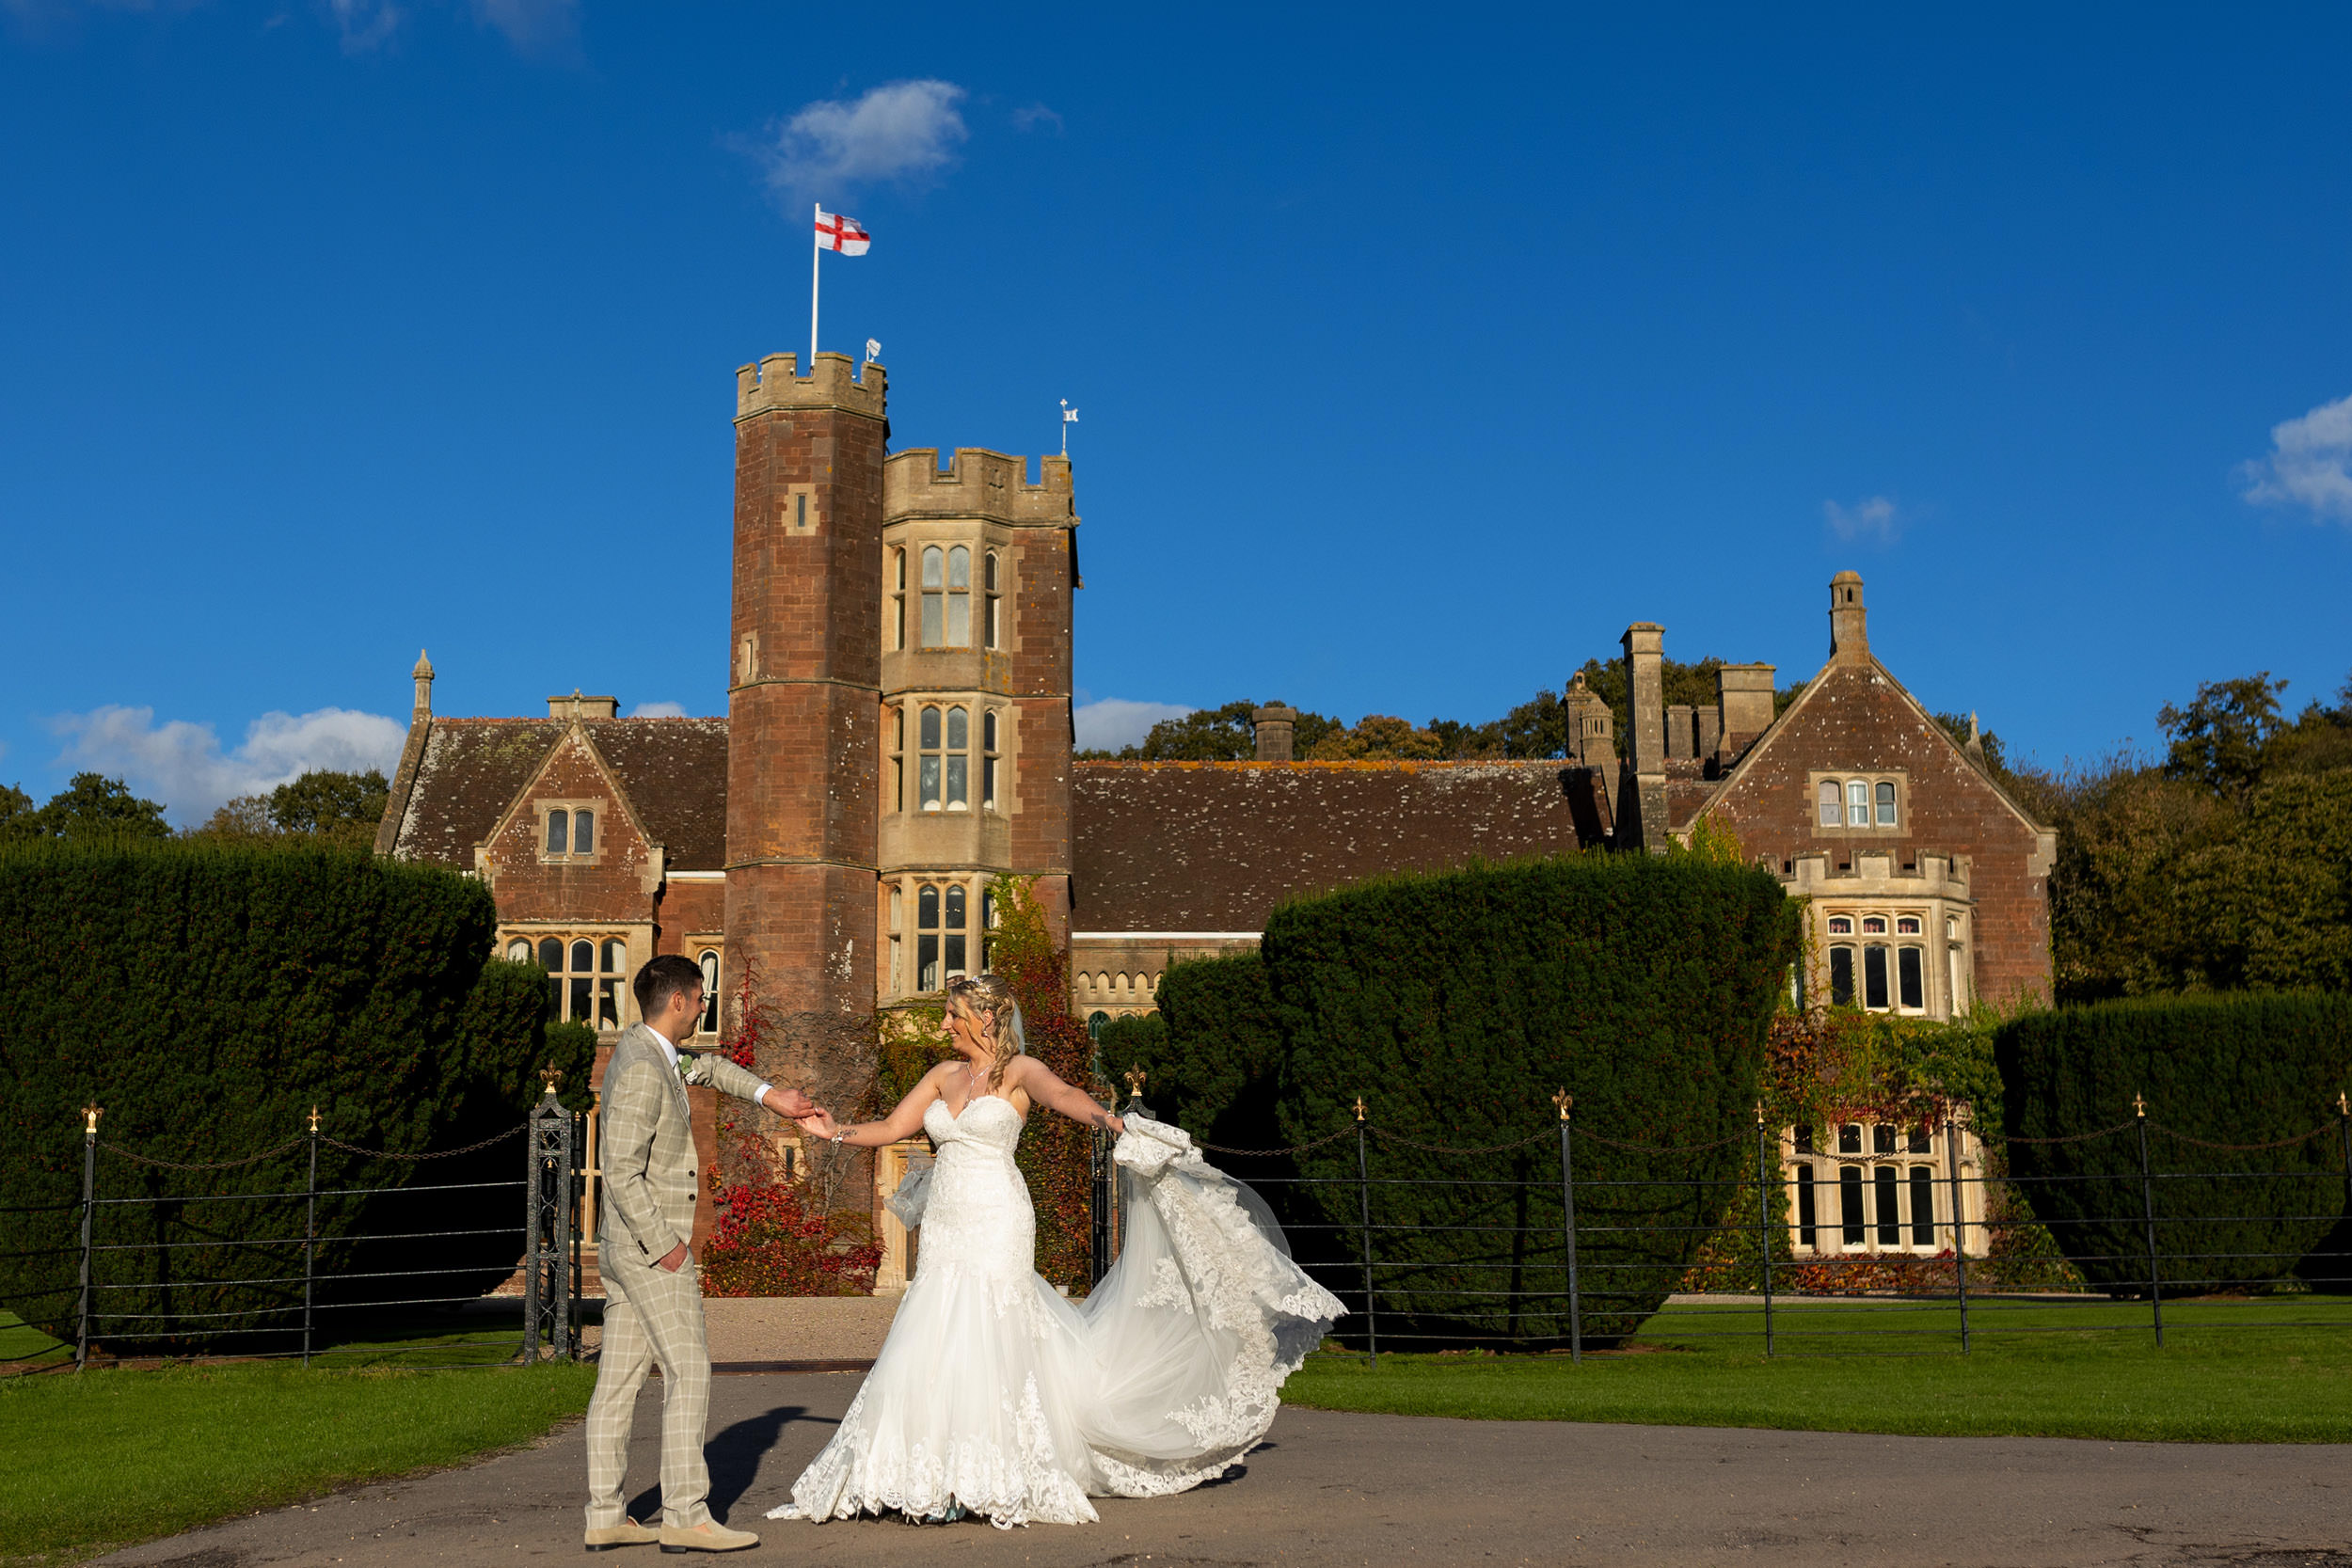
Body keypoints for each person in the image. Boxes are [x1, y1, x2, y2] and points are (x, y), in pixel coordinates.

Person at [771, 971, 1343, 1529]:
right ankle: (926, 1471)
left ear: (985, 1017)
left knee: (990, 1326)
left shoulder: (1020, 1070)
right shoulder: (942, 1075)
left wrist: (1117, 1124)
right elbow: (894, 1127)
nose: (944, 1023)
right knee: (935, 1326)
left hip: (997, 1216)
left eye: (952, 1013)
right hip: (947, 1221)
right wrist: (834, 1131)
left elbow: (1065, 1095)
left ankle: (985, 1472)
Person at [583, 954, 820, 1554]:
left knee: (619, 1382)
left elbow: (710, 1070)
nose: (705, 1005)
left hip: (623, 1250)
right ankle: (686, 1512)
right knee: (690, 1370)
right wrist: (665, 1246)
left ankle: (606, 1515)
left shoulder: (653, 1051)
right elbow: (619, 1171)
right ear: (678, 1002)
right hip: (648, 1246)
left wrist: (773, 1097)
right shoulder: (641, 1066)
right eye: (700, 996)